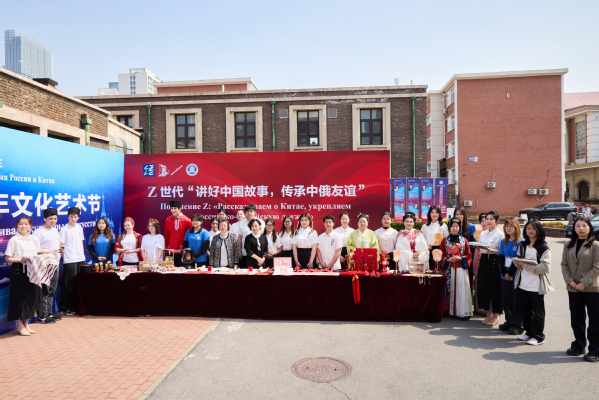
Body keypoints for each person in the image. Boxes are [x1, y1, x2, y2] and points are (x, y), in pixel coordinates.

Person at [561, 216, 599, 362]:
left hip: (592, 288)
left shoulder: (595, 245)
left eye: (584, 225)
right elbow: (564, 264)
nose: (581, 228)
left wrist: (583, 282)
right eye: (578, 226)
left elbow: (597, 267)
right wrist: (570, 281)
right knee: (576, 318)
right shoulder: (568, 245)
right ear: (574, 228)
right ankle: (578, 345)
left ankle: (595, 350)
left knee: (595, 320)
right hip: (573, 287)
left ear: (589, 228)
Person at [512, 220, 553, 346]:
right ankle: (529, 332)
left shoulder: (543, 247)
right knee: (525, 310)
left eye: (533, 229)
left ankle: (539, 336)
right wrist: (516, 262)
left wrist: (525, 265)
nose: (530, 231)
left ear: (539, 230)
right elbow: (518, 262)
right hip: (523, 283)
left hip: (536, 285)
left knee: (537, 312)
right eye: (528, 228)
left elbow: (545, 267)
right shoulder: (523, 244)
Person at [5, 216, 43, 336]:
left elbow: (38, 253)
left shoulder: (34, 238)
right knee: (19, 297)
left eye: (26, 224)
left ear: (30, 226)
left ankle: (26, 324)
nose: (23, 226)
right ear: (17, 225)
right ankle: (19, 325)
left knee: (29, 297)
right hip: (18, 270)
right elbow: (8, 258)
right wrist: (20, 260)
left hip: (32, 270)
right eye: (21, 224)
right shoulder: (14, 240)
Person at [33, 208, 61, 324]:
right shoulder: (38, 232)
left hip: (55, 263)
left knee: (52, 290)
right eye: (50, 219)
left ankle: (49, 312)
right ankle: (42, 315)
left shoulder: (55, 230)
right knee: (44, 290)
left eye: (55, 219)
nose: (53, 221)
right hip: (44, 265)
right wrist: (49, 252)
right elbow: (35, 250)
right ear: (45, 219)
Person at [440, 218, 473, 319]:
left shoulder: (464, 241)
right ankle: (448, 311)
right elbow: (441, 254)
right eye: (452, 226)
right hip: (449, 268)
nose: (454, 228)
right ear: (449, 228)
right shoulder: (444, 240)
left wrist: (461, 258)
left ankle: (462, 312)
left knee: (461, 289)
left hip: (460, 269)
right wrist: (447, 259)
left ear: (459, 228)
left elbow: (468, 255)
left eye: (456, 226)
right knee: (449, 289)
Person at [476, 211, 505, 326]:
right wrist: (477, 247)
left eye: (491, 219)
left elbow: (501, 251)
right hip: (484, 261)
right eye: (487, 219)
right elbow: (481, 249)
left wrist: (492, 250)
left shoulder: (501, 234)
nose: (488, 221)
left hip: (495, 261)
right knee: (484, 287)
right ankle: (488, 314)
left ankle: (496, 315)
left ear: (497, 221)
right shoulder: (483, 234)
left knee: (495, 289)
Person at [498, 217, 524, 332]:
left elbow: (518, 259)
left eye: (511, 226)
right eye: (506, 226)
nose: (508, 228)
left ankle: (518, 324)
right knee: (505, 298)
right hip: (504, 275)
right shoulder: (503, 241)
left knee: (516, 300)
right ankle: (509, 321)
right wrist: (504, 273)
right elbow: (501, 258)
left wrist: (510, 273)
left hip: (516, 275)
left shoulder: (521, 242)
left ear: (516, 227)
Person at [59, 207, 86, 316]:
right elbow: (61, 245)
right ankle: (65, 307)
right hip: (70, 259)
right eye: (71, 217)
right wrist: (63, 257)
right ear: (68, 217)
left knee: (79, 283)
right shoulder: (64, 229)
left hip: (81, 258)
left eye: (75, 217)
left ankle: (76, 306)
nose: (73, 219)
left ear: (78, 217)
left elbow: (81, 242)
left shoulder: (79, 227)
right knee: (68, 284)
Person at [164, 200, 193, 266]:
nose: (173, 210)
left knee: (182, 271)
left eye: (175, 208)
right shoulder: (167, 220)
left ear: (180, 208)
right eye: (171, 208)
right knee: (168, 270)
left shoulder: (187, 220)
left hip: (183, 252)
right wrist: (165, 249)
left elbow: (190, 237)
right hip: (170, 251)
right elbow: (166, 235)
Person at [422, 205, 449, 271]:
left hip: (440, 250)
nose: (434, 214)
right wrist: (426, 245)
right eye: (432, 212)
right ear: (429, 214)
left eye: (436, 212)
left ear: (439, 214)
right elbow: (421, 239)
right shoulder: (424, 226)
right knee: (429, 270)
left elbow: (446, 239)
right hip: (429, 250)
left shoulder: (443, 226)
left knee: (439, 270)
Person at [472, 212, 488, 316]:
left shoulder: (494, 234)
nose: (485, 223)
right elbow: (476, 254)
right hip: (478, 261)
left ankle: (488, 309)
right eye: (482, 221)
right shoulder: (478, 235)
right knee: (478, 285)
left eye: (487, 220)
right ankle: (478, 307)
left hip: (488, 262)